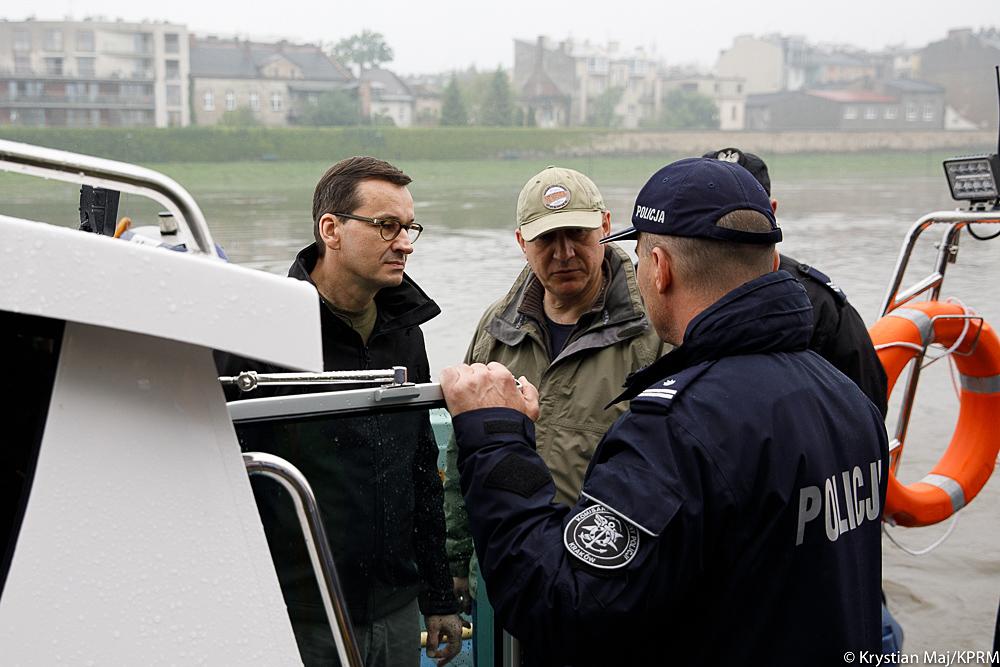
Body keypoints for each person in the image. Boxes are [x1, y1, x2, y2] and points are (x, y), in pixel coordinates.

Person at [439, 157, 889, 666]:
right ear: (771, 257)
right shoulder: (845, 399)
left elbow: (564, 606)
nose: (564, 252)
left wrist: (497, 437)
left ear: (659, 268)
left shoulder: (680, 425)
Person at [217, 156, 461, 667]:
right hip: (299, 611)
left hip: (394, 610)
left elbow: (421, 470)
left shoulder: (405, 334)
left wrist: (437, 597)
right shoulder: (261, 334)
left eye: (409, 226)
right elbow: (223, 478)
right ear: (331, 229)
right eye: (386, 226)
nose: (405, 242)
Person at [441, 166, 666, 658]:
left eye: (576, 235)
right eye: (547, 239)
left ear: (606, 227)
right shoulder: (497, 328)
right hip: (516, 577)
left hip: (615, 587)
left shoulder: (654, 326)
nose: (563, 253)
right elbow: (463, 455)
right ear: (521, 241)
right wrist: (457, 563)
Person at [703, 147, 889, 417]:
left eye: (740, 207)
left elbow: (866, 411)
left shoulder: (821, 305)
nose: (726, 221)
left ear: (772, 210)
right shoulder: (658, 289)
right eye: (712, 206)